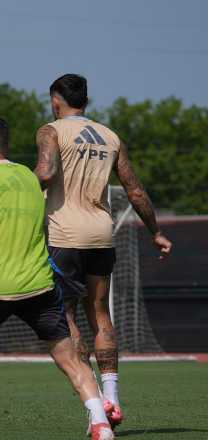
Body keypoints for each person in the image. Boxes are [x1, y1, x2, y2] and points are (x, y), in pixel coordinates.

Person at [0, 116, 113, 440]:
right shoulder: (30, 178)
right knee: (69, 358)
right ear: (7, 146)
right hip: (40, 286)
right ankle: (100, 423)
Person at [34, 73, 173, 429]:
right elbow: (135, 190)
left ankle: (95, 403)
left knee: (65, 316)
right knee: (99, 312)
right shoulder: (110, 137)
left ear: (56, 100)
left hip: (64, 237)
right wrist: (156, 232)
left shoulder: (51, 130)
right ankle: (113, 398)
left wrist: (15, 190)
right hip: (101, 234)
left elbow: (45, 173)